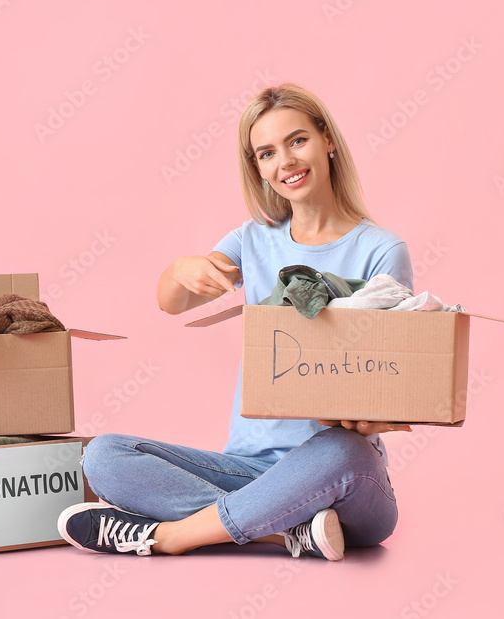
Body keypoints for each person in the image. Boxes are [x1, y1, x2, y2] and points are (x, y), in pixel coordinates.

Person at [56, 83, 414, 559]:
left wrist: (368, 418)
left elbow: (394, 383)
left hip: (342, 479)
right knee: (104, 455)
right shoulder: (252, 240)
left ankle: (170, 537)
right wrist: (181, 270)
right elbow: (171, 301)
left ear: (328, 140)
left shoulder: (382, 250)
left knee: (342, 449)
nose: (284, 161)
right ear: (258, 168)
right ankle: (284, 531)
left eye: (297, 141)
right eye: (266, 153)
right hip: (247, 469)